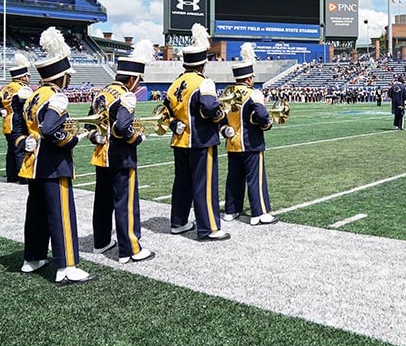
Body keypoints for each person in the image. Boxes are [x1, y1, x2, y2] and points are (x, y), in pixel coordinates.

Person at [19, 27, 98, 285]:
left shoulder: (33, 96)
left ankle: (33, 257)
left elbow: (27, 128)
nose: (69, 80)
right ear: (60, 76)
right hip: (53, 165)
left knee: (37, 213)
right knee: (61, 213)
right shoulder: (56, 97)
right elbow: (51, 129)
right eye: (67, 76)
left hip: (33, 165)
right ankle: (66, 266)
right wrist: (73, 139)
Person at [89, 40, 156, 263]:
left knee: (103, 201)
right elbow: (122, 127)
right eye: (138, 82)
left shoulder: (102, 93)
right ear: (132, 79)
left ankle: (101, 242)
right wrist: (137, 137)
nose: (138, 87)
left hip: (101, 155)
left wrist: (98, 137)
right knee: (125, 203)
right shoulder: (125, 95)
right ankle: (130, 249)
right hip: (120, 157)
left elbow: (91, 127)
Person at [163, 24, 229, 241]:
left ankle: (178, 222)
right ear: (203, 63)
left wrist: (175, 124)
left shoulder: (175, 84)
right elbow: (210, 108)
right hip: (200, 140)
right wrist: (221, 115)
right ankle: (209, 227)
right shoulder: (203, 82)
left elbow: (165, 112)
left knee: (182, 183)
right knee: (205, 183)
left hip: (179, 141)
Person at [221, 43, 278, 225]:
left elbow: (220, 117)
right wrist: (266, 123)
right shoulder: (253, 93)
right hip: (250, 143)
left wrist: (225, 130)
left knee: (234, 178)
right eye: (251, 77)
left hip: (232, 143)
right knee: (255, 178)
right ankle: (259, 213)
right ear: (248, 79)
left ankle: (231, 210)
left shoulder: (227, 93)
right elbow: (262, 115)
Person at [0, 53, 32, 183]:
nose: (28, 78)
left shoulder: (5, 88)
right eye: (27, 76)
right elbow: (27, 108)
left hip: (6, 124)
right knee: (20, 149)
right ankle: (22, 177)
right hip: (17, 123)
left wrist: (2, 112)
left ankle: (11, 176)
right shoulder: (23, 89)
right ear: (23, 77)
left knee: (11, 151)